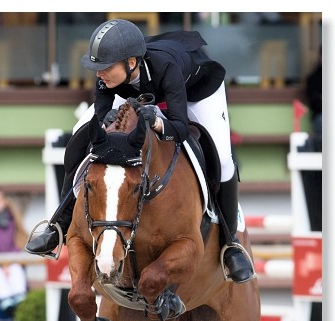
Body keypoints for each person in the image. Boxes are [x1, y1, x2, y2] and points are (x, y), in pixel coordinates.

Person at [26, 19, 254, 283]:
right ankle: (58, 224)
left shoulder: (166, 67)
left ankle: (231, 244)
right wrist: (105, 119)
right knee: (79, 135)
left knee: (223, 160)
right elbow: (100, 119)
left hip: (196, 92)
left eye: (105, 68)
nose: (99, 73)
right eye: (96, 68)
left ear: (131, 62)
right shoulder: (110, 75)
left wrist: (157, 121)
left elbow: (180, 128)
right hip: (140, 89)